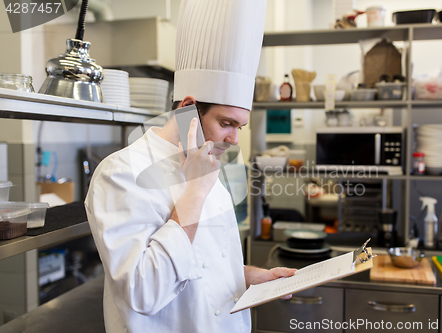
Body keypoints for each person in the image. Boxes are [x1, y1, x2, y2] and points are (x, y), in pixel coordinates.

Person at [84, 1, 295, 332]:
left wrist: (254, 277)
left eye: (240, 127)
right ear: (188, 109)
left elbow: (207, 268)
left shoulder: (207, 167)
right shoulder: (121, 174)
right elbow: (144, 292)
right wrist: (193, 194)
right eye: (227, 123)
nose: (234, 139)